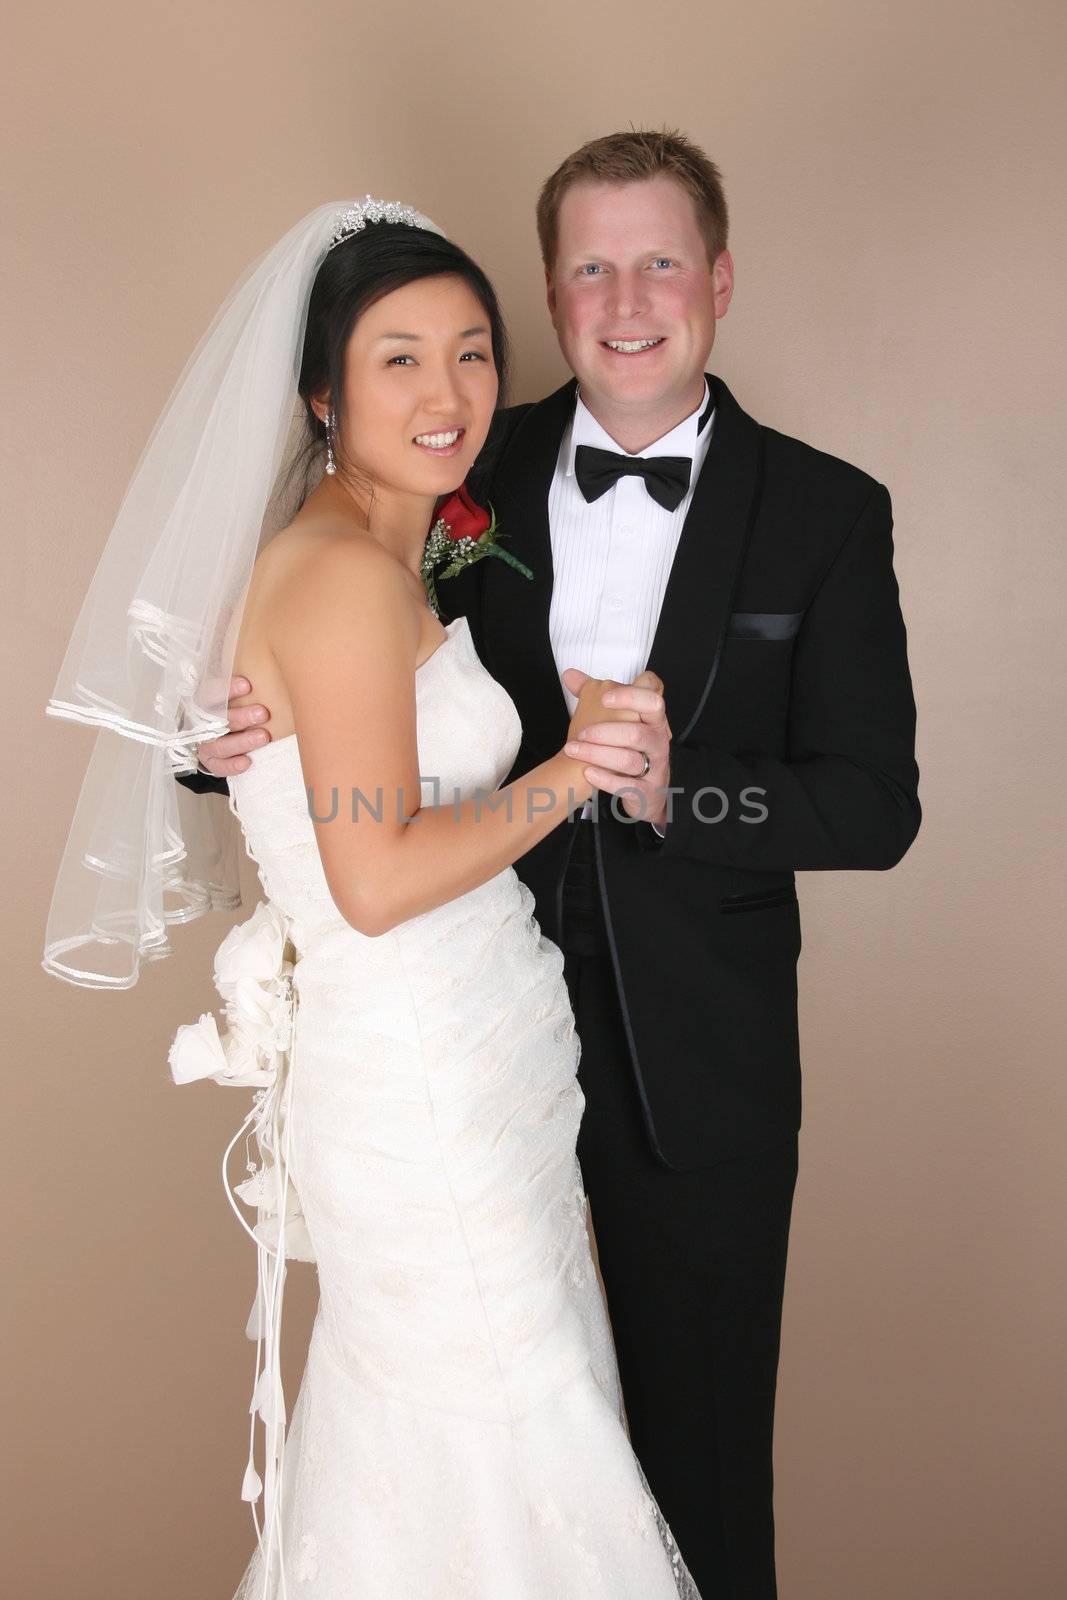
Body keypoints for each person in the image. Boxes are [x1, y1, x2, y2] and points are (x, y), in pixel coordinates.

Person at [187, 131, 922, 1598]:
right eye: (591, 265)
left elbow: (872, 809)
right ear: (553, 287)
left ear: (719, 279)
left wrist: (674, 795)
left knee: (690, 1468)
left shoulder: (827, 510)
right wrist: (219, 741)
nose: (627, 296)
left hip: (690, 1073)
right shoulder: (458, 452)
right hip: (459, 1061)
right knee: (494, 1438)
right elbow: (330, 697)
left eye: (661, 261)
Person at [44, 194, 704, 1598]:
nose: (451, 390)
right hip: (422, 1091)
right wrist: (577, 769)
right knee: (499, 1442)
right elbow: (378, 875)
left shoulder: (407, 539)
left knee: (480, 1441)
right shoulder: (341, 573)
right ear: (322, 391)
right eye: (399, 357)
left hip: (476, 1067)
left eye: (473, 351)